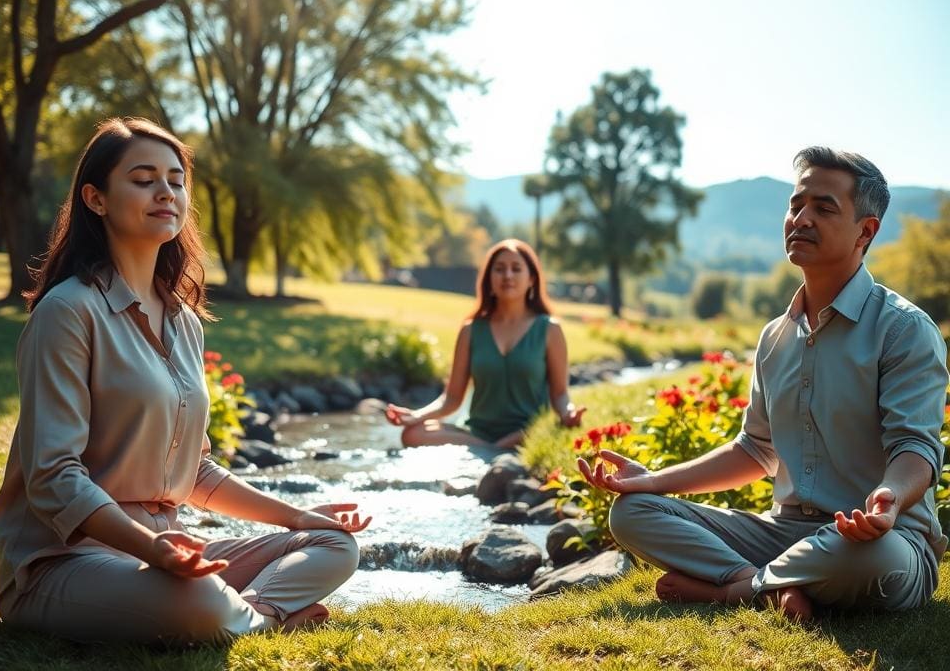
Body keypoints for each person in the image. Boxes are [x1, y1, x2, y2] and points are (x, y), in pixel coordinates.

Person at [0, 118, 370, 645]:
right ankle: (254, 617)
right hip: (63, 562)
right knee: (200, 602)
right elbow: (53, 478)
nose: (165, 191)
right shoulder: (68, 312)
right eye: (143, 179)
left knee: (335, 545)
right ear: (96, 199)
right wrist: (151, 549)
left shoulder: (182, 321)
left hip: (165, 550)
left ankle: (250, 613)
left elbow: (193, 471)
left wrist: (298, 516)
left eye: (175, 179)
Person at [581, 147, 948, 620]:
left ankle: (735, 589)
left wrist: (890, 499)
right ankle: (771, 586)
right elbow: (755, 451)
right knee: (632, 513)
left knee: (872, 559)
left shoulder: (903, 329)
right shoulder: (776, 336)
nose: (802, 219)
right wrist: (652, 481)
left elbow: (915, 448)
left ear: (866, 231)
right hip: (784, 533)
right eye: (796, 205)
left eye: (823, 208)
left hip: (878, 540)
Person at [385, 239, 585, 448]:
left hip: (527, 432)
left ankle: (488, 450)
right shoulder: (471, 330)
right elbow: (451, 399)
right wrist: (415, 416)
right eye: (499, 269)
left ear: (532, 279)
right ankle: (491, 449)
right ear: (489, 279)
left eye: (516, 269)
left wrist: (568, 412)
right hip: (476, 432)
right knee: (412, 434)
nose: (507, 275)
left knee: (540, 431)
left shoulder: (549, 329)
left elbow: (560, 394)